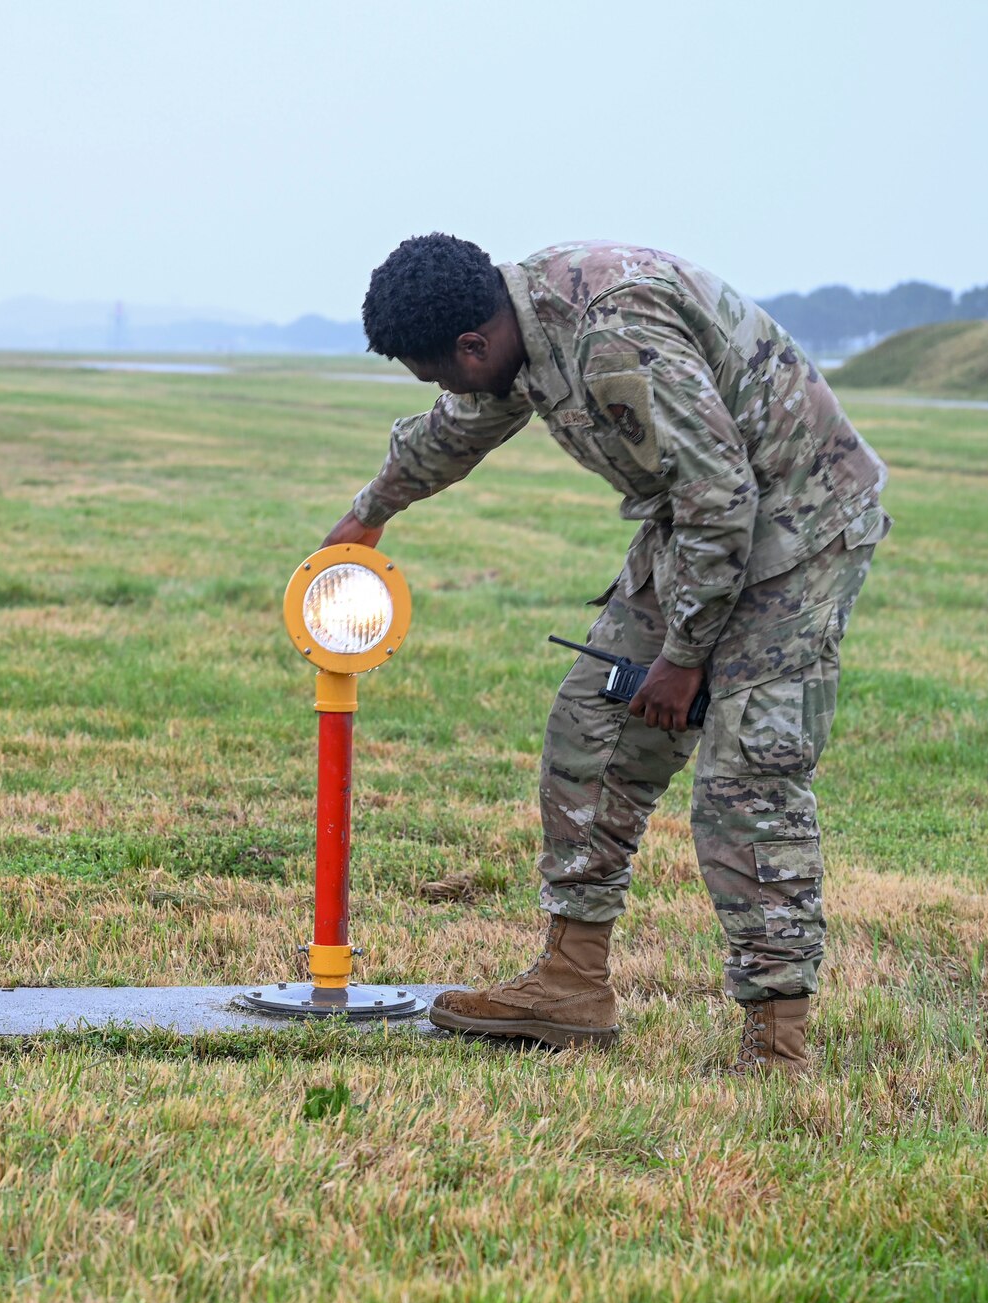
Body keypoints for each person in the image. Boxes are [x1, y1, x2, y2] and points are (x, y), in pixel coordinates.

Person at [324, 236, 889, 1074]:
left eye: (439, 371)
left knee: (748, 777)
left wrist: (686, 656)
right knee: (592, 725)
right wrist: (370, 513)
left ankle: (778, 1041)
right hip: (699, 526)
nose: (446, 389)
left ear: (473, 345)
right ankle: (570, 984)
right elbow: (463, 422)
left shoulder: (608, 331)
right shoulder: (517, 327)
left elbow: (723, 494)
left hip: (799, 524)